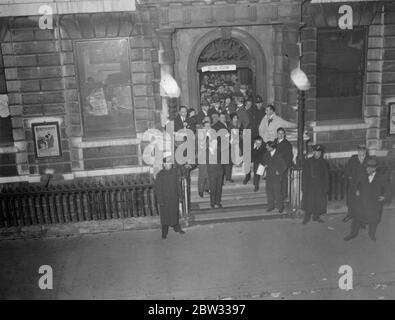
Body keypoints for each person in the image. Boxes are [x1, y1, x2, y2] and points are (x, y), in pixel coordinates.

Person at [344, 158, 391, 241]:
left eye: (370, 168)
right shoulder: (362, 175)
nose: (368, 169)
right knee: (357, 219)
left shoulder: (381, 177)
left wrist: (385, 196)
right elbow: (353, 184)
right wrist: (356, 190)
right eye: (367, 167)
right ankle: (353, 234)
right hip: (361, 202)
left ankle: (371, 235)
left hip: (374, 203)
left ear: (375, 168)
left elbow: (389, 189)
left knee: (373, 220)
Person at [154, 156, 185, 239]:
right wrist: (160, 200)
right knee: (165, 217)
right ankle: (164, 232)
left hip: (174, 198)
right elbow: (158, 189)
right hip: (165, 200)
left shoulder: (175, 172)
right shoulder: (160, 175)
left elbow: (178, 185)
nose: (169, 164)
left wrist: (180, 195)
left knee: (175, 214)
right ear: (164, 164)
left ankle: (177, 228)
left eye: (170, 163)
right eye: (167, 163)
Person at [301, 144, 329, 224]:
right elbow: (304, 175)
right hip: (310, 185)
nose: (318, 153)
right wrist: (303, 186)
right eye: (317, 152)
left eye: (320, 152)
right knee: (308, 201)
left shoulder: (324, 162)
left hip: (319, 185)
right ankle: (306, 217)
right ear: (313, 152)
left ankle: (316, 217)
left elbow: (326, 176)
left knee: (318, 201)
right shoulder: (308, 161)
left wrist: (326, 187)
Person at [343, 144, 369, 223]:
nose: (361, 152)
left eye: (363, 150)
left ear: (365, 151)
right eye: (359, 150)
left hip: (364, 185)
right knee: (351, 201)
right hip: (353, 185)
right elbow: (347, 170)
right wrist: (349, 178)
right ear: (358, 151)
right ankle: (350, 215)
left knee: (362, 202)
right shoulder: (353, 159)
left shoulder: (369, 160)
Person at [262, 141, 286, 213]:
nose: (266, 147)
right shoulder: (266, 154)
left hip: (276, 177)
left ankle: (280, 207)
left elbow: (284, 165)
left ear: (271, 147)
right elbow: (264, 162)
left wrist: (279, 171)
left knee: (277, 192)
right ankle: (271, 206)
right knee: (269, 192)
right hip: (269, 176)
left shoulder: (279, 154)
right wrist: (265, 165)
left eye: (267, 146)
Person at [275, 128, 294, 200]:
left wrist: (284, 167)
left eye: (282, 133)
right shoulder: (274, 142)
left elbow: (289, 157)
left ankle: (284, 196)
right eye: (279, 133)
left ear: (284, 134)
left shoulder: (287, 144)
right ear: (277, 134)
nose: (280, 135)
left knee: (283, 181)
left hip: (283, 166)